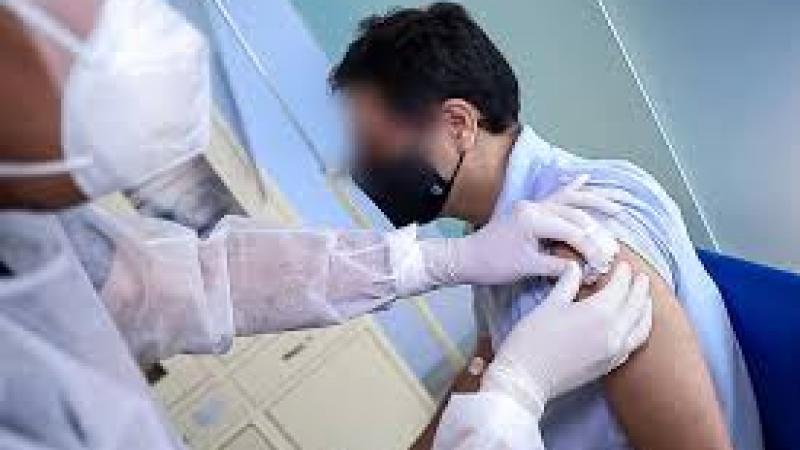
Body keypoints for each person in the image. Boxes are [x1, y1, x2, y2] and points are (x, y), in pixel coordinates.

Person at [0, 0, 652, 447]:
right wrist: (509, 400)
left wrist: (433, 262)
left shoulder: (594, 211)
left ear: (458, 122)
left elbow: (173, 283)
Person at [329, 3, 763, 450]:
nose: (358, 166)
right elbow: (485, 362)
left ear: (459, 124)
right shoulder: (497, 233)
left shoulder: (579, 241)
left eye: (372, 144)